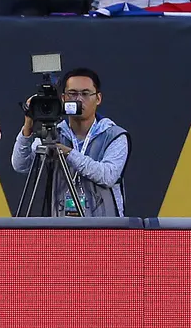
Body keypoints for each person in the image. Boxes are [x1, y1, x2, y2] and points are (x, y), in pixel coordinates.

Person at [12, 68, 130, 217]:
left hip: (104, 225)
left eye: (85, 93)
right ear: (63, 98)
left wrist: (68, 153)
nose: (79, 99)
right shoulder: (55, 133)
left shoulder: (114, 135)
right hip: (63, 224)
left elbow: (107, 176)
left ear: (98, 98)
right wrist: (28, 124)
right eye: (72, 94)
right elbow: (21, 165)